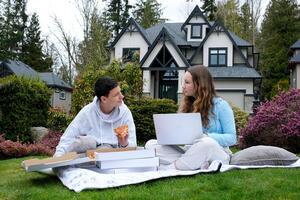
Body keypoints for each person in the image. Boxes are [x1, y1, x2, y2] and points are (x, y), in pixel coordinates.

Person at [146, 65, 236, 170]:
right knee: (151, 144)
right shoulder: (187, 106)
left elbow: (232, 138)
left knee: (207, 144)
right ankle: (194, 164)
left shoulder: (221, 105)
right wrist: (170, 137)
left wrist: (205, 136)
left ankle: (170, 168)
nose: (183, 86)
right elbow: (183, 137)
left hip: (216, 153)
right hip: (190, 151)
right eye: (183, 82)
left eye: (187, 82)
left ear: (200, 85)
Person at [54, 77, 137, 157]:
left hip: (111, 155)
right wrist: (58, 157)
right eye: (116, 95)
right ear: (104, 99)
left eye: (120, 92)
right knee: (87, 142)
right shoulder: (88, 112)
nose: (122, 97)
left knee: (105, 149)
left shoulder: (125, 113)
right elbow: (68, 137)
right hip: (87, 154)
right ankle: (67, 161)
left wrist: (124, 144)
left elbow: (133, 145)